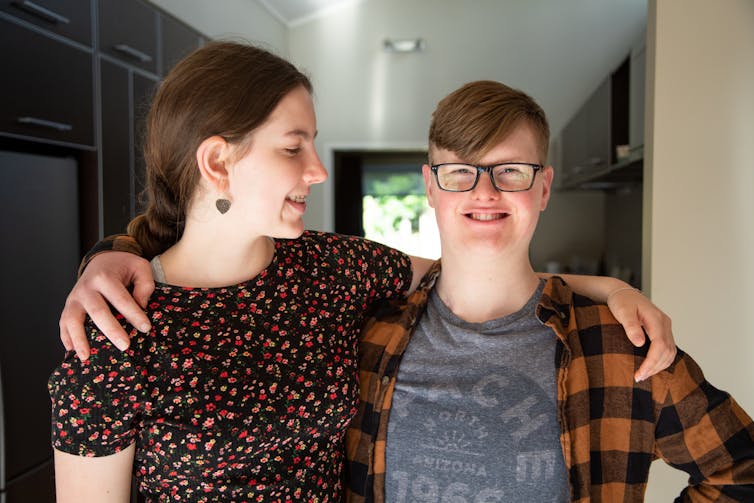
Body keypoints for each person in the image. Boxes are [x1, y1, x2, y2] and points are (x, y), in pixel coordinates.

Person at [50, 42, 676, 501]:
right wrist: (108, 255)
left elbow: (469, 267)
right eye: (294, 147)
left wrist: (608, 287)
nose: (318, 169)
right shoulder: (115, 327)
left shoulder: (332, 269)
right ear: (218, 161)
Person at [344, 80, 754, 502]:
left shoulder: (624, 344)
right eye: (460, 171)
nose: (484, 191)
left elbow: (742, 471)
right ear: (431, 186)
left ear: (543, 188)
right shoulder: (365, 332)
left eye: (511, 171)